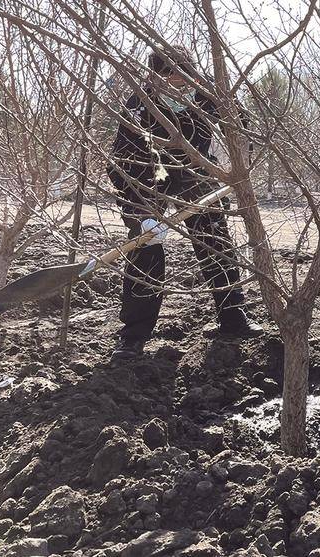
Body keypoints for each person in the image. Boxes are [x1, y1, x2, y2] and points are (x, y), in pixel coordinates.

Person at [108, 44, 261, 361]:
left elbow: (242, 125)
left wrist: (239, 162)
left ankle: (233, 318)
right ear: (156, 78)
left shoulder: (206, 93)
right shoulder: (139, 105)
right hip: (148, 178)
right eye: (172, 80)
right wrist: (141, 216)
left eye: (185, 80)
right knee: (145, 248)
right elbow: (122, 165)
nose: (180, 87)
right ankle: (133, 336)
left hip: (196, 170)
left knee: (214, 239)